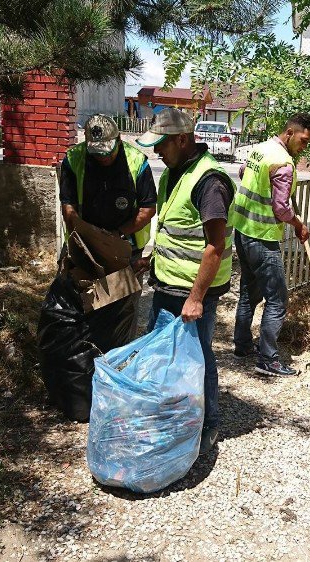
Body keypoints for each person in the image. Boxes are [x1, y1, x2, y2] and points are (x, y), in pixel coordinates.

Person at [136, 108, 235, 455]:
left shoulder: (210, 182)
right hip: (166, 283)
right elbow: (170, 226)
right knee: (164, 353)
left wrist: (196, 298)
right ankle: (173, 413)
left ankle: (209, 423)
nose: (157, 152)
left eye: (162, 144)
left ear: (182, 139)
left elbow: (215, 245)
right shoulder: (174, 173)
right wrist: (150, 254)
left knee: (198, 357)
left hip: (192, 292)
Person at [230, 113, 310, 376]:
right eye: (303, 141)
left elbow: (243, 171)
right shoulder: (283, 163)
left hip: (242, 231)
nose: (304, 147)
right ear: (290, 133)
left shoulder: (260, 149)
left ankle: (243, 346)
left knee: (249, 292)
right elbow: (280, 208)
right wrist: (299, 224)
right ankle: (268, 360)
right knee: (278, 300)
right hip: (263, 238)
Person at [59, 113, 155, 340]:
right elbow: (68, 206)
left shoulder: (136, 162)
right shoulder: (74, 159)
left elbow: (147, 209)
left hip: (125, 248)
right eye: (97, 153)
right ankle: (87, 350)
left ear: (119, 140)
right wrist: (86, 238)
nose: (102, 158)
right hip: (85, 248)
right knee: (83, 303)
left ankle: (119, 355)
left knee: (123, 308)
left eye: (107, 152)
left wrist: (115, 235)